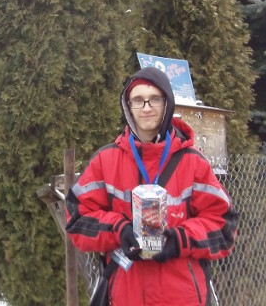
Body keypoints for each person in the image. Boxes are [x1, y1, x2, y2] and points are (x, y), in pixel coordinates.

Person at [65, 66, 238, 305]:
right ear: (128, 106)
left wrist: (180, 240)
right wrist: (119, 229)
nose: (146, 108)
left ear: (167, 103)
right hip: (126, 295)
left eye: (154, 99)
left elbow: (224, 228)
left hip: (182, 296)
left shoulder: (193, 162)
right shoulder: (105, 161)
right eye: (138, 100)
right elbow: (77, 221)